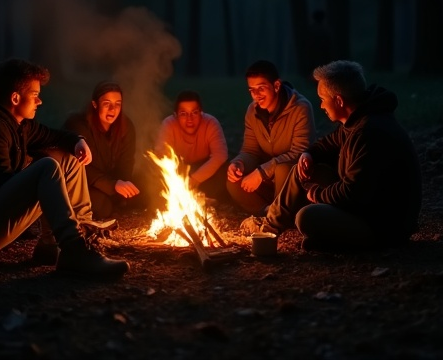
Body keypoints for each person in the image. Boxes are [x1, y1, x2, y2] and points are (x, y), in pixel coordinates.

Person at [0, 58, 130, 278]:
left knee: (67, 158)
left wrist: (77, 140)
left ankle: (61, 243)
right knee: (47, 166)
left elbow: (53, 136)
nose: (39, 101)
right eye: (34, 95)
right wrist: (37, 168)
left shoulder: (17, 123)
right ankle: (74, 250)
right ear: (15, 98)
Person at [241, 60, 422, 252]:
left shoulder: (369, 133)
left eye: (322, 99)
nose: (320, 106)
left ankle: (336, 241)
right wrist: (309, 155)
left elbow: (352, 193)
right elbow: (328, 143)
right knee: (300, 171)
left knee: (306, 217)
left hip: (382, 224)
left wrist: (316, 193)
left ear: (338, 101)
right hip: (362, 207)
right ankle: (270, 226)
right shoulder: (355, 121)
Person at [227, 60, 316, 215]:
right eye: (251, 90)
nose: (256, 95)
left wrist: (262, 172)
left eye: (261, 88)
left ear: (276, 86)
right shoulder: (253, 111)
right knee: (233, 182)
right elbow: (250, 150)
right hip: (268, 182)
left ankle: (282, 214)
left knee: (282, 169)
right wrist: (238, 163)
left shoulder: (300, 108)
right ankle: (267, 212)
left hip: (294, 181)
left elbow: (300, 153)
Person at [63, 81, 141, 220]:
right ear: (95, 104)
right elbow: (80, 167)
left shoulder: (126, 126)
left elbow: (127, 162)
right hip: (83, 183)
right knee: (101, 205)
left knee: (147, 189)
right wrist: (112, 185)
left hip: (112, 182)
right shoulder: (79, 125)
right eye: (107, 103)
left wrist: (123, 185)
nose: (113, 109)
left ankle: (118, 204)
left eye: (117, 104)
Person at [153, 90, 229, 205]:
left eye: (194, 113)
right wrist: (179, 180)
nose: (190, 119)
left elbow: (220, 155)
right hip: (178, 171)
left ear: (201, 113)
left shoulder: (210, 123)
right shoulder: (169, 124)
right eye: (183, 114)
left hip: (204, 172)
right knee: (151, 176)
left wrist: (194, 179)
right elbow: (161, 155)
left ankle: (209, 199)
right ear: (176, 115)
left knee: (225, 170)